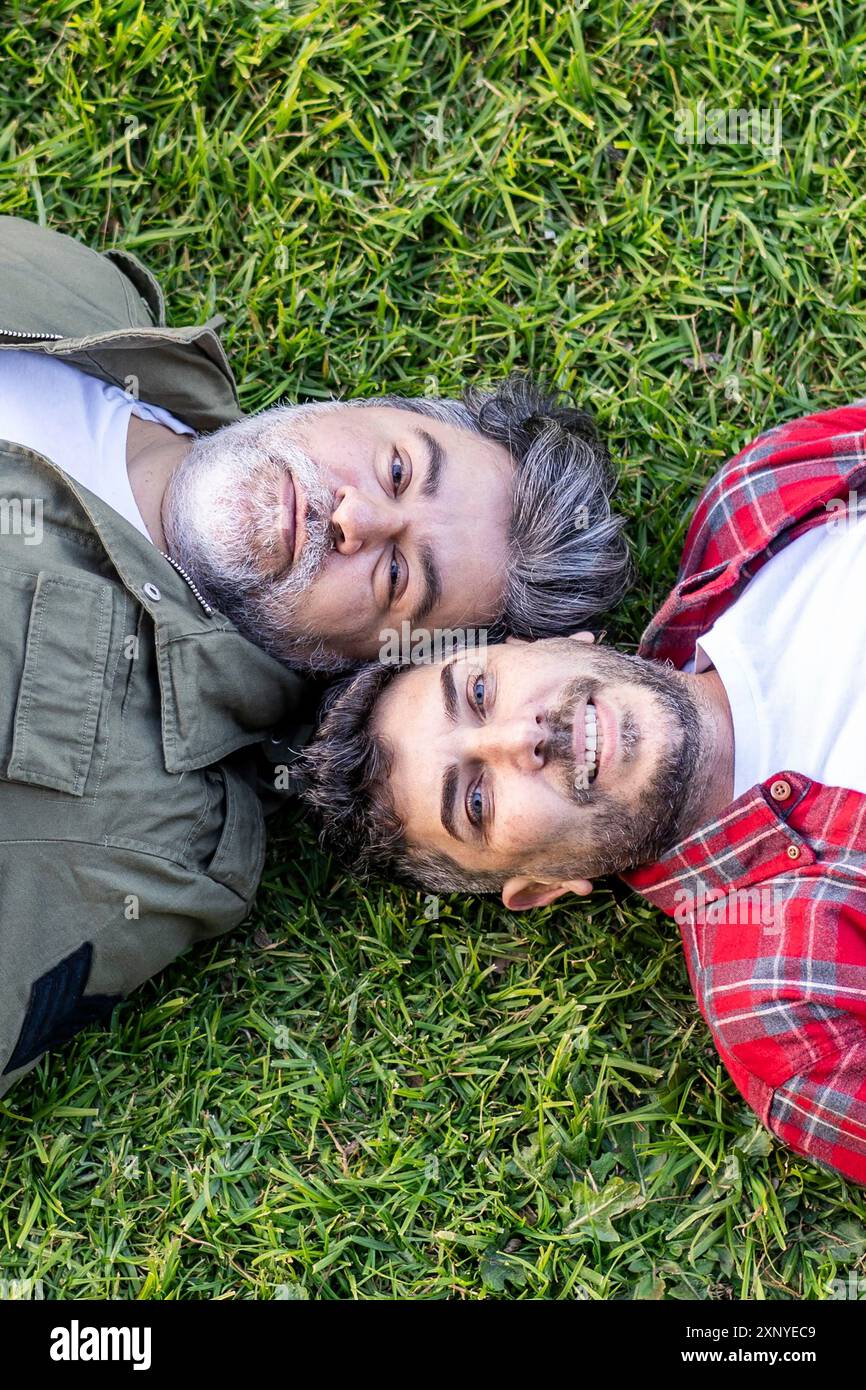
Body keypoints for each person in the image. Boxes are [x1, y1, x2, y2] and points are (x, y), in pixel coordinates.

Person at [0, 214, 628, 1096]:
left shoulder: (152, 835)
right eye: (401, 470)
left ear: (371, 667)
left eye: (400, 575)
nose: (355, 518)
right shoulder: (85, 295)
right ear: (373, 409)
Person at [305, 401, 866, 1185]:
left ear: (552, 642)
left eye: (479, 693)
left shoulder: (765, 499)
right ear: (539, 889)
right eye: (475, 801)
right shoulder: (792, 1014)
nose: (518, 740)